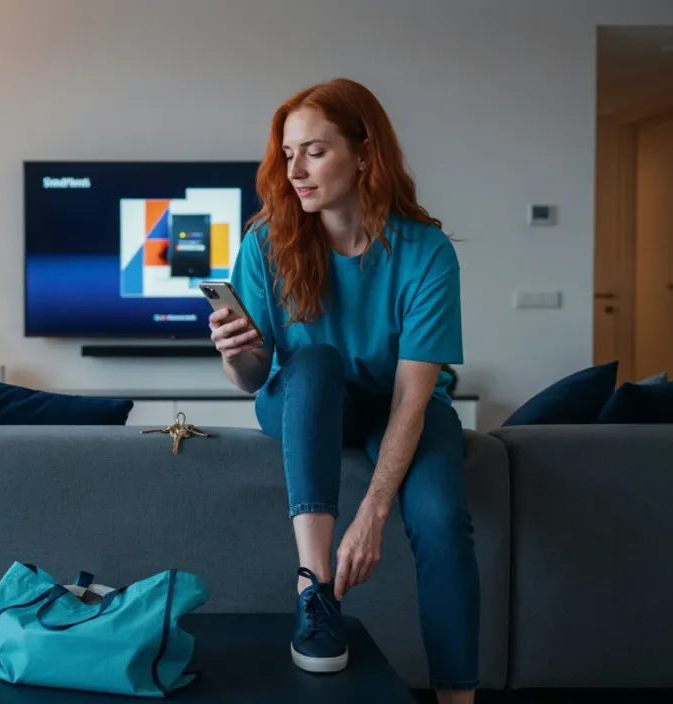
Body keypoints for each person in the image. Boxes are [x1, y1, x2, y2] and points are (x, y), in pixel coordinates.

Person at [210, 78, 479, 704]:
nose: (295, 171)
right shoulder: (265, 243)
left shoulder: (426, 253)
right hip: (305, 397)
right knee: (316, 362)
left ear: (364, 154)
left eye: (315, 151)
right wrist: (235, 353)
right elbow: (252, 380)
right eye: (287, 154)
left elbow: (413, 400)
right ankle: (314, 587)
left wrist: (372, 514)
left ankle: (458, 697)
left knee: (441, 518)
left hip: (396, 405)